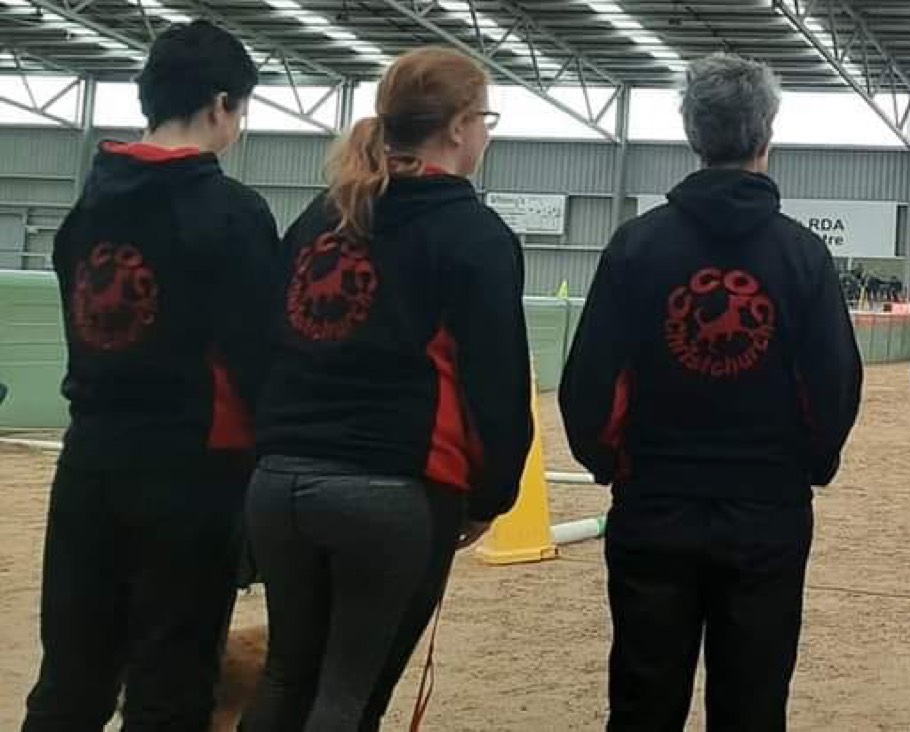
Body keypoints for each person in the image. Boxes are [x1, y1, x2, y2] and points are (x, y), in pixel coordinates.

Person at [559, 53, 863, 731]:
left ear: (693, 136)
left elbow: (591, 384)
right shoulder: (802, 257)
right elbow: (833, 386)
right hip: (765, 514)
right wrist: (810, 466)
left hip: (655, 507)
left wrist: (613, 465)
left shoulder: (637, 247)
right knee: (753, 704)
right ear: (766, 136)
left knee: (643, 699)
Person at [242, 47, 532, 731]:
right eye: (485, 119)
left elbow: (267, 341)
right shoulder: (473, 235)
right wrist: (492, 497)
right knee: (349, 695)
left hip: (279, 480)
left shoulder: (322, 216)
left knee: (286, 675)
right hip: (391, 487)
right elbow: (497, 384)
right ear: (460, 127)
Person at [23, 21, 277, 731]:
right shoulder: (232, 214)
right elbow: (261, 357)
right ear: (222, 105)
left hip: (91, 460)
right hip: (191, 472)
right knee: (172, 681)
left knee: (70, 677)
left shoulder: (87, 209)